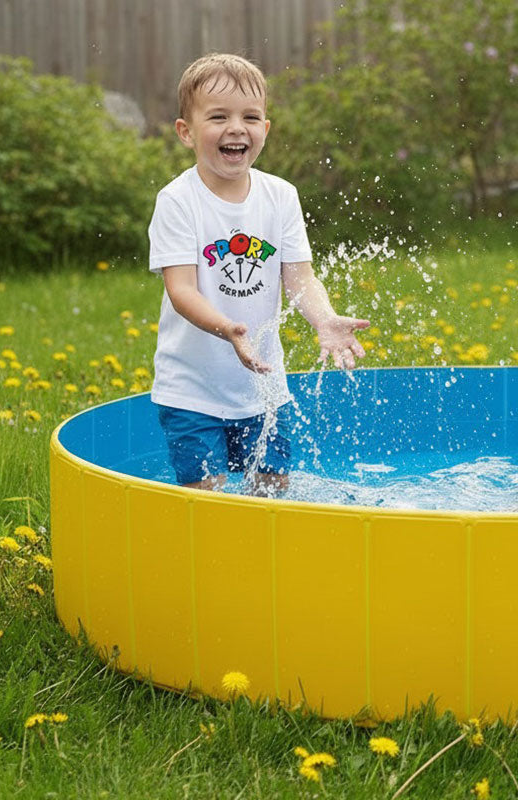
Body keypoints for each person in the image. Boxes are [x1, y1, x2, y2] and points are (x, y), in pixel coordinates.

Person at [148, 53, 368, 494]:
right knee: (204, 497)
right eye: (218, 117)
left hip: (265, 387)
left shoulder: (280, 197)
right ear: (186, 133)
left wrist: (324, 320)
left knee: (272, 490)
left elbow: (300, 279)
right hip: (191, 390)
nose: (236, 127)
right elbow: (181, 289)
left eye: (250, 116)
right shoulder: (177, 201)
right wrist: (227, 328)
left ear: (265, 129)